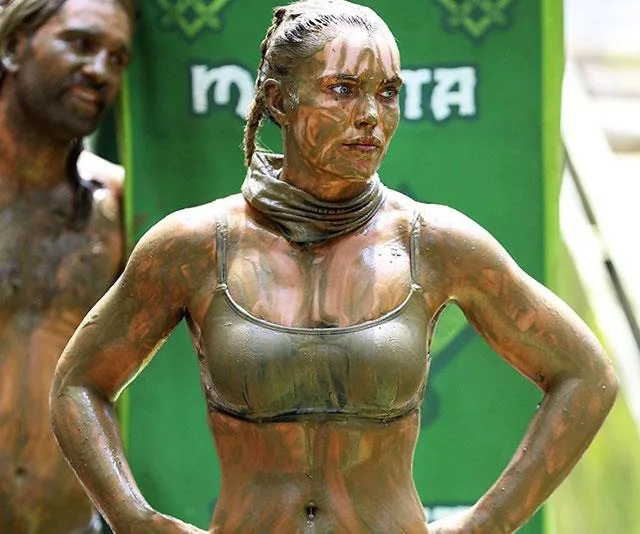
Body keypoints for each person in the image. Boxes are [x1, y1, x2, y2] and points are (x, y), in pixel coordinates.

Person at [50, 1, 618, 532]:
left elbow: (587, 377)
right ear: (278, 101)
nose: (370, 116)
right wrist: (132, 518)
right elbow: (78, 385)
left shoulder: (433, 243)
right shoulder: (195, 246)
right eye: (342, 90)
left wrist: (487, 523)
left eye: (388, 93)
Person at [0, 0, 134, 532]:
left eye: (117, 58)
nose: (100, 70)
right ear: (14, 46)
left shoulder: (114, 205)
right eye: (80, 43)